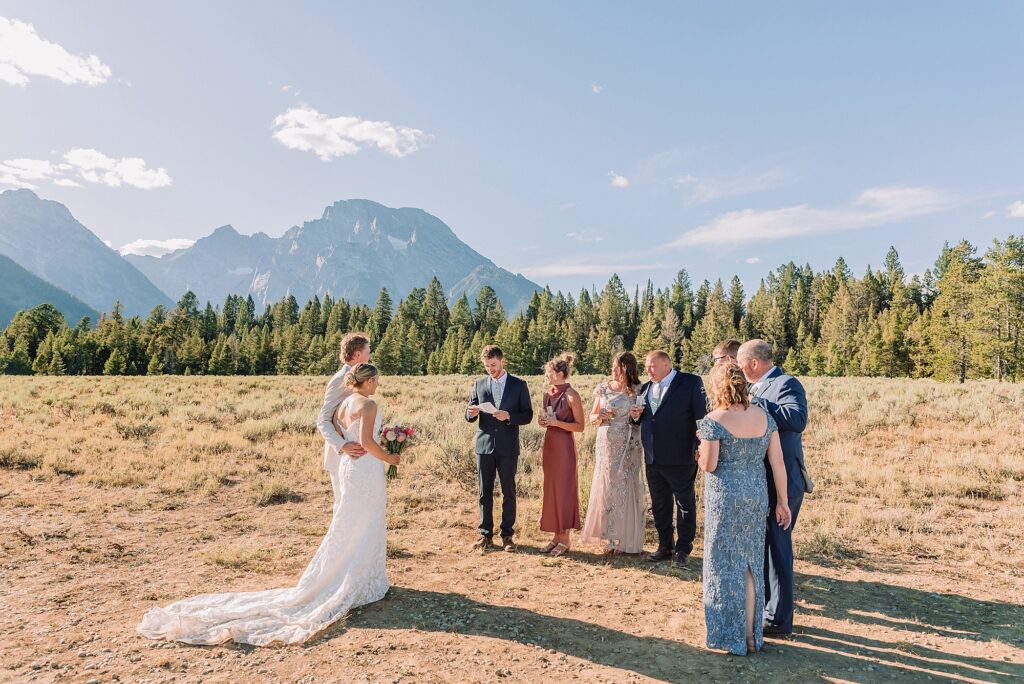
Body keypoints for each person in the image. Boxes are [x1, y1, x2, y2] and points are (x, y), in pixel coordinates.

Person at [137, 364, 399, 645]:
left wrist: (346, 445)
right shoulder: (368, 405)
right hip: (365, 469)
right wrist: (389, 457)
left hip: (349, 466)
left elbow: (335, 426)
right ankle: (358, 579)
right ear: (369, 381)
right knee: (365, 520)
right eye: (376, 381)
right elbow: (367, 441)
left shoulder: (345, 402)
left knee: (349, 522)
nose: (378, 385)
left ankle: (348, 574)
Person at [697, 361, 792, 656]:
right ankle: (751, 636)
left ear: (716, 387)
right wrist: (783, 501)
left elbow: (710, 465)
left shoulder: (714, 419)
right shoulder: (764, 417)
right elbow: (777, 462)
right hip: (756, 494)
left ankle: (730, 634)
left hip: (726, 497)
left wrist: (699, 453)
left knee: (723, 562)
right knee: (751, 563)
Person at [737, 339, 808, 636]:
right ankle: (764, 609)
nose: (739, 368)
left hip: (784, 480)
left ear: (753, 363)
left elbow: (797, 419)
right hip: (760, 479)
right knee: (763, 546)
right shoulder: (751, 387)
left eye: (741, 363)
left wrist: (757, 403)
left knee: (778, 548)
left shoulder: (786, 384)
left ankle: (779, 619)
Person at [629, 350, 707, 567]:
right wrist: (635, 417)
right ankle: (665, 545)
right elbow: (643, 420)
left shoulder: (690, 382)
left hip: (681, 456)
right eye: (646, 366)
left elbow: (702, 418)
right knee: (659, 505)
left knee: (684, 504)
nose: (648, 370)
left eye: (652, 366)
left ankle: (683, 549)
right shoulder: (645, 388)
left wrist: (701, 447)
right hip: (653, 457)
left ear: (666, 364)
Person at [465, 345, 534, 552]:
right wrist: (470, 413)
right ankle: (485, 535)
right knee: (484, 492)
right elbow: (468, 413)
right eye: (487, 366)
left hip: (508, 447)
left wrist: (509, 416)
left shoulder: (519, 385)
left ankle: (507, 536)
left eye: (493, 365)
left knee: (508, 492)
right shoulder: (479, 384)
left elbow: (528, 415)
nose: (490, 369)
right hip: (484, 446)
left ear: (502, 361)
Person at [580, 351, 645, 555]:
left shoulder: (638, 390)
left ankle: (625, 539)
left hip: (628, 444)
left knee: (625, 486)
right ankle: (610, 537)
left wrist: (636, 416)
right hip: (606, 444)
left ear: (628, 369)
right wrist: (598, 416)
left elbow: (642, 419)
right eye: (613, 367)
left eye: (618, 368)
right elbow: (592, 418)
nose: (613, 371)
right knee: (607, 486)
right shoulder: (603, 388)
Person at [538, 353, 585, 556]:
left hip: (565, 449)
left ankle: (565, 539)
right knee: (552, 491)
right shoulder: (547, 394)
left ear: (560, 374)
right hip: (550, 447)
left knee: (564, 492)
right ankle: (556, 537)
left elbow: (580, 426)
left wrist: (557, 423)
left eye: (549, 372)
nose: (546, 375)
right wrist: (543, 422)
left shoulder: (572, 395)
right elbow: (547, 418)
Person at [317, 332, 372, 501]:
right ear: (357, 355)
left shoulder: (360, 378)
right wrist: (342, 446)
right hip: (341, 455)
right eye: (368, 352)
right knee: (344, 502)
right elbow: (323, 420)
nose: (370, 356)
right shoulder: (340, 379)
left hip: (358, 453)